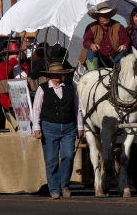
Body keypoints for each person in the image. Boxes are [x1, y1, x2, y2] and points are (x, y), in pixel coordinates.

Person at [32, 62, 84, 199]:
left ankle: (64, 185)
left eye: (60, 75)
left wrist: (80, 126)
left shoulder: (71, 87)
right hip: (49, 128)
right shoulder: (42, 89)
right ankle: (54, 189)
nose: (57, 77)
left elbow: (77, 107)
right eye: (54, 75)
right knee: (51, 160)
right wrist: (36, 127)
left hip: (69, 128)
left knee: (68, 156)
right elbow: (36, 109)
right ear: (50, 76)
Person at [79, 2, 130, 70]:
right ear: (98, 17)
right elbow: (86, 41)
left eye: (107, 14)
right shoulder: (91, 27)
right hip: (99, 58)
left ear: (110, 15)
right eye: (102, 15)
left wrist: (124, 45)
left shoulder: (119, 26)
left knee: (128, 53)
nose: (105, 17)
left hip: (116, 59)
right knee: (89, 51)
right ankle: (93, 74)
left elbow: (125, 40)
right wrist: (92, 45)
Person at [0, 40, 29, 110]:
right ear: (8, 55)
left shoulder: (24, 64)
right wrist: (12, 62)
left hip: (27, 95)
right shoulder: (3, 65)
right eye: (13, 53)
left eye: (18, 53)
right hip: (10, 98)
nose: (17, 55)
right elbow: (2, 79)